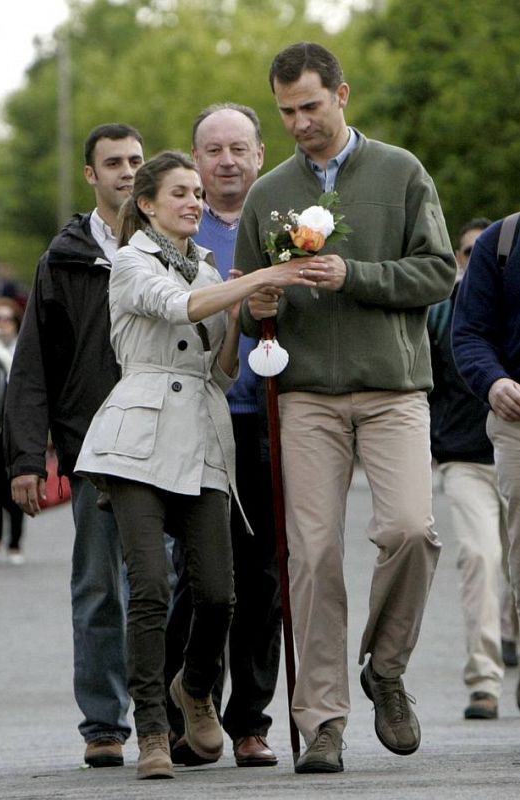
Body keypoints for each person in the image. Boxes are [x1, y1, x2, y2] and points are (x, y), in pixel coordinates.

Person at [235, 41, 457, 773]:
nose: (299, 122)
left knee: (409, 531)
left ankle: (384, 668)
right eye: (286, 111)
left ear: (341, 95)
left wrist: (353, 273)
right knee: (313, 553)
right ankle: (322, 720)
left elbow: (435, 273)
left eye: (309, 106)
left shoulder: (400, 172)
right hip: (303, 397)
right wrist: (257, 300)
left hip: (392, 387)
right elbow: (244, 300)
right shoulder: (268, 192)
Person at [74, 150, 318, 781]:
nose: (194, 202)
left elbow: (222, 367)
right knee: (151, 587)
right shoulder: (130, 262)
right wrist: (266, 278)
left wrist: (249, 314)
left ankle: (197, 687)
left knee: (218, 592)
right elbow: (179, 308)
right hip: (137, 439)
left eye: (197, 194)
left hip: (204, 436)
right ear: (148, 205)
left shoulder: (209, 266)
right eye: (179, 193)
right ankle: (154, 730)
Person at [3, 123, 145, 767]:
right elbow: (31, 368)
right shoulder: (62, 257)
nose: (126, 171)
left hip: (172, 444)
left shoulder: (172, 243)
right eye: (112, 162)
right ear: (90, 175)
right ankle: (104, 726)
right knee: (99, 589)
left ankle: (170, 713)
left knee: (174, 587)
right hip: (93, 450)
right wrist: (27, 459)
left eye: (136, 160)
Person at [162, 103, 281, 769]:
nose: (227, 159)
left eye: (239, 147)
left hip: (273, 419)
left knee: (263, 574)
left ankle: (249, 723)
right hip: (197, 422)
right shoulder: (175, 226)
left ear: (260, 154)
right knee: (199, 575)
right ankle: (188, 705)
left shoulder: (287, 220)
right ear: (196, 158)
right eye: (213, 149)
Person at [428, 217, 517, 719]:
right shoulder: (444, 315)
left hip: (511, 452)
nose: (470, 261)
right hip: (466, 458)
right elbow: (426, 381)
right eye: (465, 252)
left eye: (476, 253)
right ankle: (484, 680)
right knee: (481, 560)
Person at [452, 212, 520, 716]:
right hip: (498, 435)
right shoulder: (503, 243)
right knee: (492, 557)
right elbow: (469, 334)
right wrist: (493, 381)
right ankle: (487, 677)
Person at [0, 297, 26, 563]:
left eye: (7, 319)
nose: (2, 324)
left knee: (16, 482)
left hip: (18, 427)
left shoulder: (23, 352)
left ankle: (15, 542)